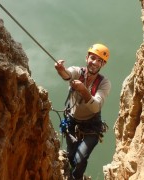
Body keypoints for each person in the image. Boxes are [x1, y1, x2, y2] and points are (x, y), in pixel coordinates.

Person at [54, 43, 111, 179]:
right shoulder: (78, 72)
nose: (95, 63)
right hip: (72, 121)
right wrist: (60, 69)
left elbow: (96, 106)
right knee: (71, 155)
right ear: (86, 58)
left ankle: (76, 178)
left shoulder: (104, 83)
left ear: (103, 65)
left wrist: (83, 90)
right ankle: (69, 173)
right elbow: (67, 74)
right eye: (92, 58)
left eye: (99, 61)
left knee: (80, 159)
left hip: (92, 126)